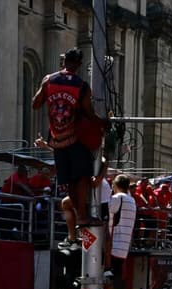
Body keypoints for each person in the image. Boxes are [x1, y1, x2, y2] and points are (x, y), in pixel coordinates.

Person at [34, 48, 101, 226]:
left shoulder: (49, 80)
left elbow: (36, 104)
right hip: (75, 138)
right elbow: (89, 113)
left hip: (56, 139)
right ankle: (83, 215)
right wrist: (103, 123)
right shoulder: (81, 86)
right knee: (81, 177)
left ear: (64, 61)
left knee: (68, 180)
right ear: (79, 64)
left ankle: (81, 215)